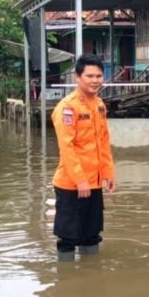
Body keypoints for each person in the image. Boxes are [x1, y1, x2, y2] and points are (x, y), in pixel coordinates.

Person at [51, 55, 115, 260]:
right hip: (71, 184)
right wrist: (80, 180)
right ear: (78, 77)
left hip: (94, 183)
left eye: (99, 75)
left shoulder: (99, 105)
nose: (95, 80)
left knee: (91, 235)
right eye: (90, 75)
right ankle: (67, 283)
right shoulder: (67, 107)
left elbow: (103, 141)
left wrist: (108, 173)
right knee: (68, 237)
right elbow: (67, 148)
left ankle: (92, 280)